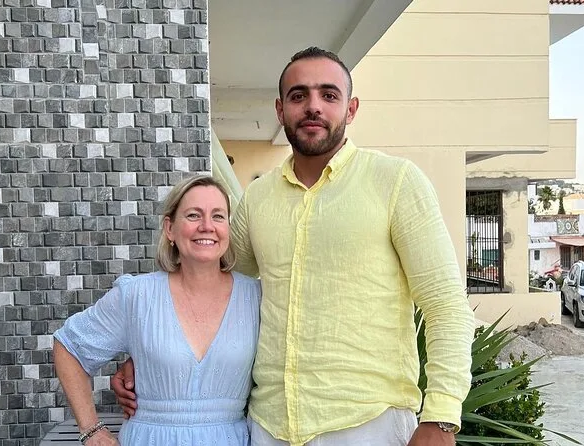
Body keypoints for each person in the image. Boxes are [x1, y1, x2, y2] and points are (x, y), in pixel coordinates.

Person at [113, 47, 474, 446]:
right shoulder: (259, 198)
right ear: (280, 110)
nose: (313, 106)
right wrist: (150, 354)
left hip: (367, 424)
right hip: (270, 427)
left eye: (329, 95)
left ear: (351, 108)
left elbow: (445, 304)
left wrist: (441, 417)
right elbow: (214, 288)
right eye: (299, 95)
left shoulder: (396, 182)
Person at [53, 175, 261, 445]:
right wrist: (91, 430)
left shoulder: (255, 297)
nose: (207, 226)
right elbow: (69, 347)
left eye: (218, 216)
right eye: (194, 215)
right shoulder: (137, 296)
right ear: (170, 228)